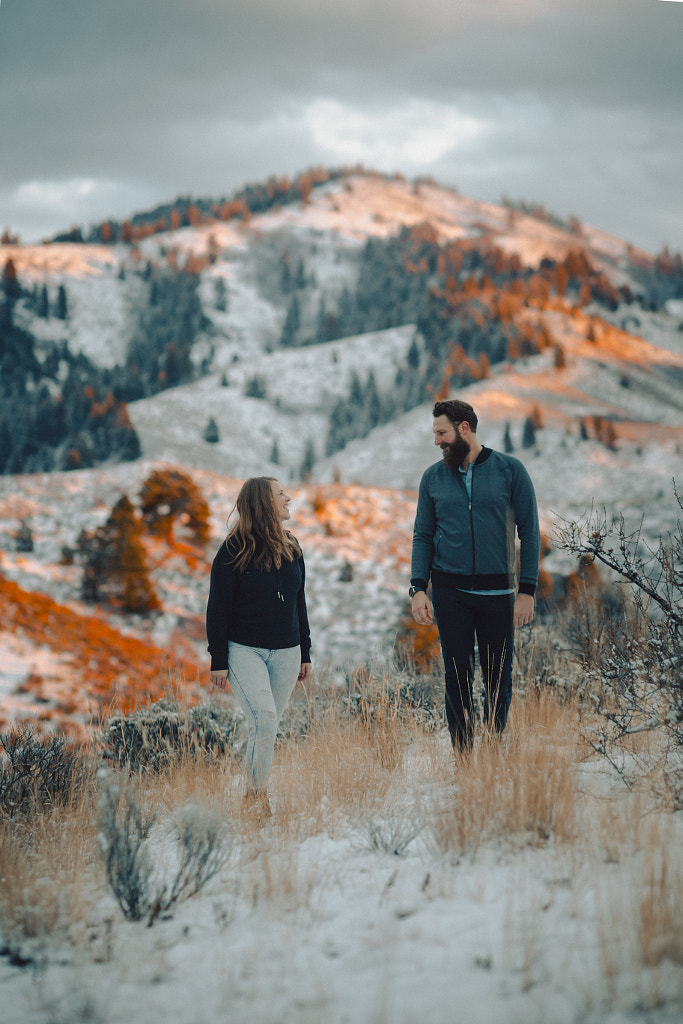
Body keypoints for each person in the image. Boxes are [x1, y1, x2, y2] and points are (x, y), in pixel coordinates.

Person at [410, 399, 540, 750]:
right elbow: (422, 535)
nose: (437, 441)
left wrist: (527, 590)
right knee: (457, 676)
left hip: (498, 594)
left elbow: (529, 532)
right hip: (449, 593)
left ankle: (494, 743)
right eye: (435, 433)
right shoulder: (432, 478)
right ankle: (464, 758)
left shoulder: (510, 470)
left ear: (464, 428)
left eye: (442, 433)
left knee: (498, 678)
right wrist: (418, 588)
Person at [206, 477, 312, 819]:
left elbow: (300, 602)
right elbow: (217, 606)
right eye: (281, 494)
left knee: (267, 727)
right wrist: (218, 659)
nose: (288, 498)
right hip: (244, 650)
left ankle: (255, 793)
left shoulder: (292, 545)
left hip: (287, 651)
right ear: (264, 502)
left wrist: (305, 652)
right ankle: (255, 800)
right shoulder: (232, 550)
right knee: (264, 720)